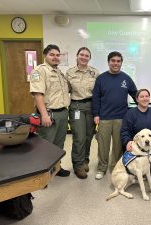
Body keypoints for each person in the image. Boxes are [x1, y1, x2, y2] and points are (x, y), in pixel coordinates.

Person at [92, 51, 137, 180]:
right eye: (113, 61)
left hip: (121, 118)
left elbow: (135, 93)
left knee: (118, 146)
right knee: (103, 146)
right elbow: (96, 98)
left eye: (118, 61)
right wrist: (96, 114)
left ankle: (116, 167)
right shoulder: (101, 78)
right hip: (104, 118)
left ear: (121, 63)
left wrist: (141, 105)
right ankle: (101, 168)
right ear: (108, 62)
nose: (115, 63)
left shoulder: (126, 78)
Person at [30, 44, 71, 177]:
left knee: (59, 144)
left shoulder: (59, 72)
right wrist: (44, 115)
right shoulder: (39, 71)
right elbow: (38, 94)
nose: (55, 57)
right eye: (52, 54)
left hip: (62, 113)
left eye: (57, 55)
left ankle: (56, 168)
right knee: (45, 145)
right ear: (45, 55)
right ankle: (42, 174)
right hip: (49, 114)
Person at [66, 47, 99, 179]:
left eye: (87, 55)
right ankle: (78, 165)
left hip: (91, 106)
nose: (84, 57)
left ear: (89, 58)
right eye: (82, 55)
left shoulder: (95, 72)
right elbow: (66, 90)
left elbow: (98, 92)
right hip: (77, 106)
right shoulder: (70, 73)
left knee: (88, 136)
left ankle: (85, 160)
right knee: (79, 137)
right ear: (77, 56)